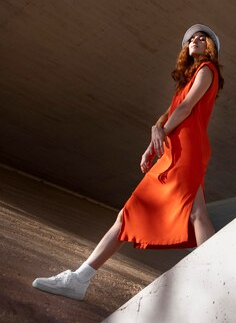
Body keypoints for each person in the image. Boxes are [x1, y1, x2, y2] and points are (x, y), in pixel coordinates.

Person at [32, 23, 225, 300]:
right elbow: (170, 111)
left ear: (212, 48)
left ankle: (80, 279)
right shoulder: (190, 77)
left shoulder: (207, 70)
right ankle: (220, 276)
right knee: (195, 214)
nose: (195, 40)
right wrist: (153, 138)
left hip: (186, 150)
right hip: (179, 149)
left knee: (131, 213)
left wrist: (160, 130)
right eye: (191, 38)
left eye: (202, 38)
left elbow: (185, 109)